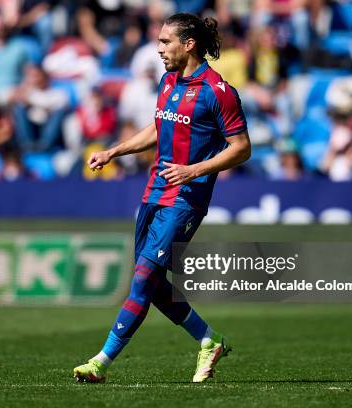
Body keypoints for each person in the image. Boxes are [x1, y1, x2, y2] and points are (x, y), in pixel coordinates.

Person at [73, 13, 251, 384]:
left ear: (189, 44)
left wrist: (195, 170)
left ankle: (101, 362)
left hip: (186, 197)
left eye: (166, 41)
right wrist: (113, 152)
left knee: (143, 277)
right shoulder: (168, 81)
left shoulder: (218, 91)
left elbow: (242, 148)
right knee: (150, 283)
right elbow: (159, 126)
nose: (158, 48)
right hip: (154, 190)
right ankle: (208, 339)